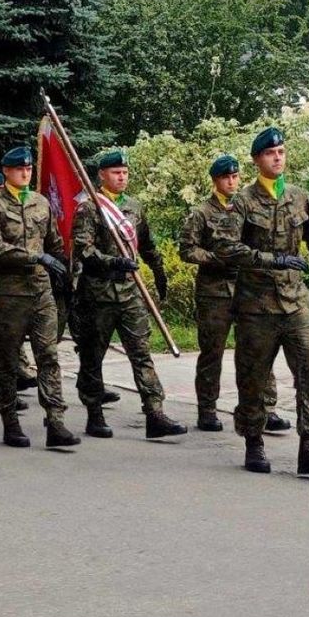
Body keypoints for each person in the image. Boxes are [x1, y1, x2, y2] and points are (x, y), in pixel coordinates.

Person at [215, 126, 309, 476]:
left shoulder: (301, 197)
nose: (278, 157)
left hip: (295, 301)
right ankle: (254, 442)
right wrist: (271, 260)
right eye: (271, 153)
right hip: (256, 306)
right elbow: (227, 248)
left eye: (282, 152)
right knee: (254, 376)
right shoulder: (242, 201)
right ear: (258, 159)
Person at [71, 150, 187, 440]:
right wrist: (112, 262)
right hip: (98, 292)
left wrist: (159, 271)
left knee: (141, 352)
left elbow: (146, 245)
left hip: (130, 291)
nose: (121, 177)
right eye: (115, 172)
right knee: (92, 355)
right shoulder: (90, 208)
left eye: (125, 172)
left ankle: (154, 413)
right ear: (102, 176)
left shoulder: (135, 207)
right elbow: (83, 249)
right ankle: (94, 413)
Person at [179, 155, 288, 433]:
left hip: (247, 288)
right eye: (226, 177)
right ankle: (207, 409)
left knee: (258, 350)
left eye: (236, 176)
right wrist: (215, 258)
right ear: (216, 180)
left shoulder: (249, 208)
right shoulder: (201, 212)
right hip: (215, 292)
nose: (232, 181)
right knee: (212, 352)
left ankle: (267, 409)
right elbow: (187, 250)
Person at [0, 147, 78, 448]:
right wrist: (37, 257)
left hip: (40, 292)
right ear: (7, 171)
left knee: (48, 357)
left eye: (28, 168)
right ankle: (10, 422)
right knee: (8, 362)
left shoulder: (41, 202)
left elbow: (55, 243)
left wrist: (67, 268)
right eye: (19, 169)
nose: (25, 172)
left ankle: (56, 422)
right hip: (8, 294)